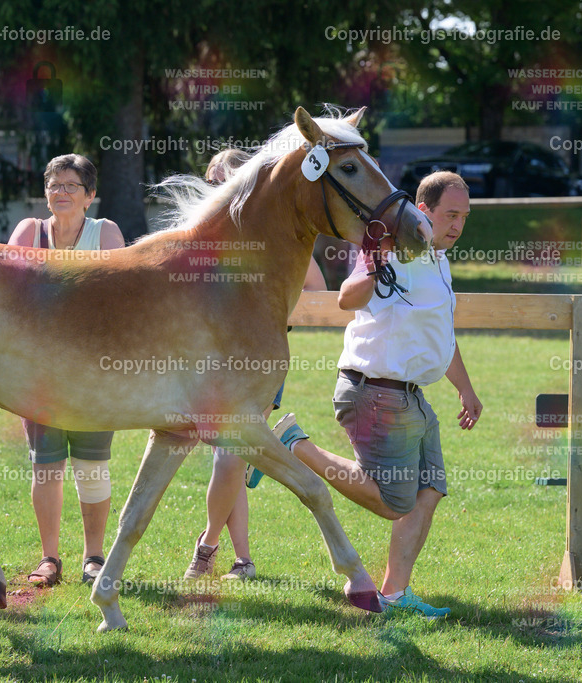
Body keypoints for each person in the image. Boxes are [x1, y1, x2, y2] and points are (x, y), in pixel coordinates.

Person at [272, 171, 481, 618]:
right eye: (450, 215)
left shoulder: (439, 260)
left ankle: (395, 593)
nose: (458, 225)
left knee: (430, 488)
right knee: (392, 502)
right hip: (375, 393)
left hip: (411, 397)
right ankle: (295, 446)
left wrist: (465, 388)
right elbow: (348, 298)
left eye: (464, 216)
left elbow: (441, 335)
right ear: (422, 211)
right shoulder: (394, 247)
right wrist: (374, 265)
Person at [183, 149, 327, 580]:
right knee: (233, 457)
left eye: (228, 181)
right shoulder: (199, 237)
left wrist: (269, 317)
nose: (219, 189)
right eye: (213, 182)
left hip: (258, 364)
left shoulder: (272, 238)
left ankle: (206, 547)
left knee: (230, 456)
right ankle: (243, 560)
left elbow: (317, 291)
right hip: (208, 361)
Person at [6, 154, 124, 586]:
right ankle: (49, 559)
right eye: (54, 185)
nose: (61, 192)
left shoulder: (105, 233)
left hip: (94, 371)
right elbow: (9, 294)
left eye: (72, 186)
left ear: (90, 196)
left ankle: (94, 558)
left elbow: (119, 298)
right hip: (38, 372)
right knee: (46, 468)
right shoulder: (29, 232)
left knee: (93, 467)